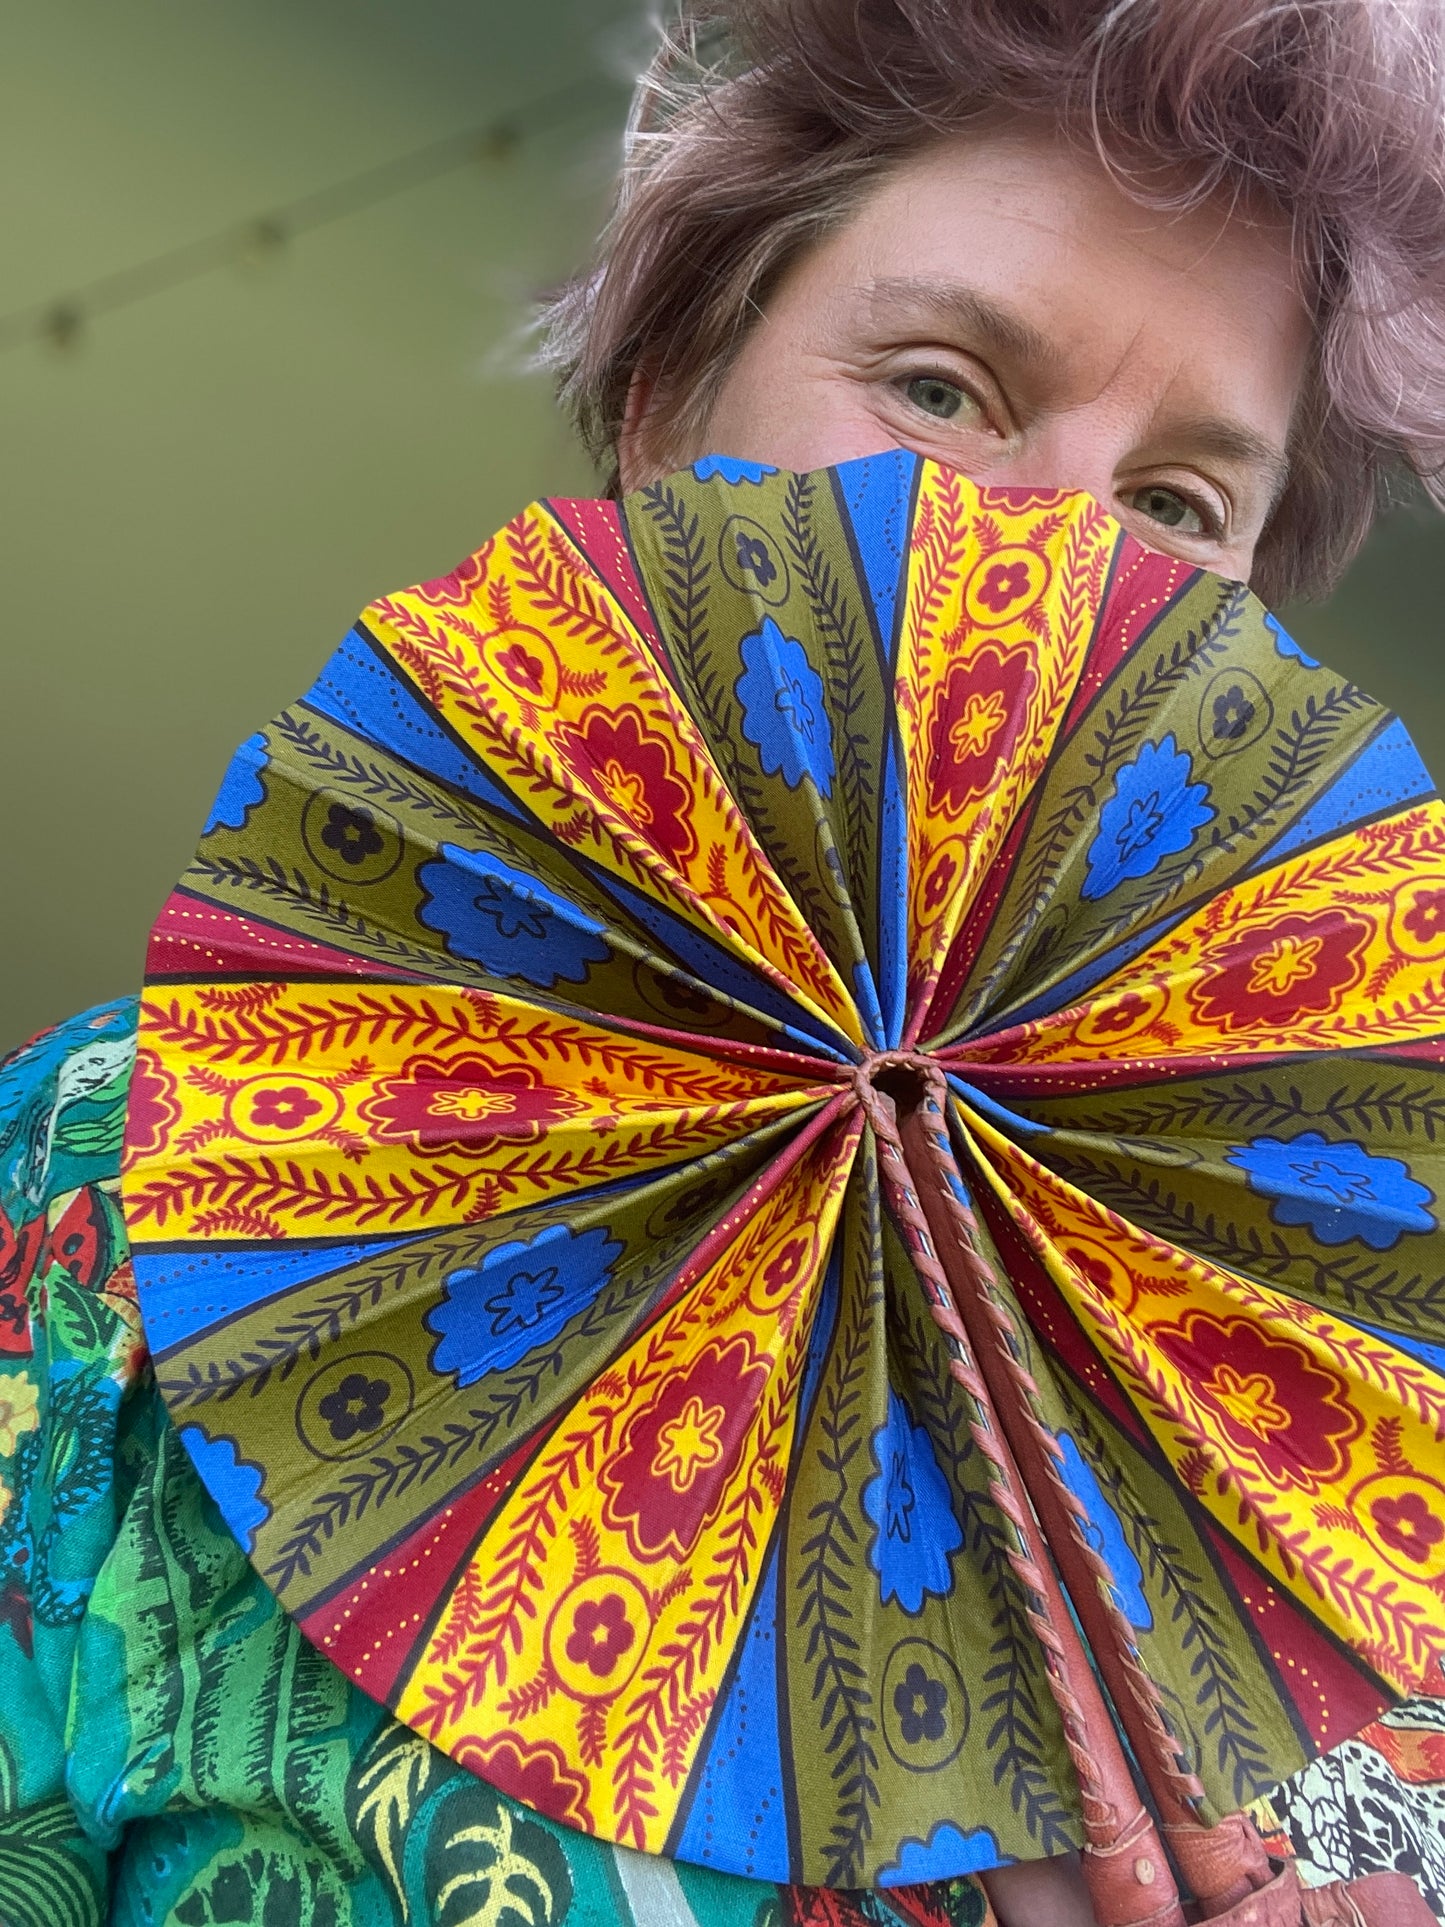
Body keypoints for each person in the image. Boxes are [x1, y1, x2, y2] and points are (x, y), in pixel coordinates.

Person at [4, 3, 1445, 1924]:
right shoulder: (123, 1201)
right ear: (673, 396)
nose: (1045, 557)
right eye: (943, 386)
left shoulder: (1360, 1425)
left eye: (1180, 507)